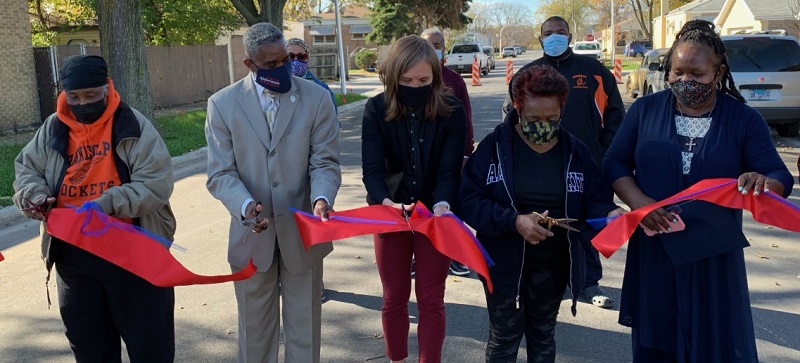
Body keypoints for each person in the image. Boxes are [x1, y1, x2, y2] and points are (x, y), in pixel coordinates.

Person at [603, 20, 794, 362]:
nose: (685, 80)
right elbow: (614, 164)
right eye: (677, 72)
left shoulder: (743, 120)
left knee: (713, 344)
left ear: (719, 72)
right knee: (656, 341)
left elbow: (778, 174)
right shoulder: (646, 111)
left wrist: (764, 182)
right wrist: (641, 204)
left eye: (698, 73)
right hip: (655, 248)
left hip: (714, 256)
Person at [13, 54, 176, 362]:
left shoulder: (134, 125)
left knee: (150, 348)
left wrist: (105, 204)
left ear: (107, 87)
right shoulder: (51, 129)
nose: (82, 103)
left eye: (91, 95)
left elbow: (156, 185)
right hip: (74, 255)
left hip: (133, 251)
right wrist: (33, 195)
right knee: (90, 349)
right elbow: (26, 171)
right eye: (74, 96)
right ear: (63, 93)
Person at [461, 64, 624, 362]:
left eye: (552, 118)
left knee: (543, 334)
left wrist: (610, 212)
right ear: (517, 109)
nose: (543, 125)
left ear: (562, 109)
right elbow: (468, 200)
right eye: (533, 119)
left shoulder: (576, 151)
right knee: (503, 338)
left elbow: (595, 197)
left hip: (553, 266)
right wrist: (513, 221)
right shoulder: (493, 149)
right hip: (503, 265)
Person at [205, 22, 341, 363]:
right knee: (255, 337)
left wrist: (322, 198)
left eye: (286, 59)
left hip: (303, 234)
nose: (284, 68)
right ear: (249, 64)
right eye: (272, 64)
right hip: (252, 239)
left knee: (304, 333)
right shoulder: (222, 105)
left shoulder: (317, 98)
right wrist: (246, 206)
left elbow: (324, 162)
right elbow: (221, 173)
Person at [502, 15, 625, 309]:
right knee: (545, 222)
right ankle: (549, 279)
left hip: (589, 165)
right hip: (539, 166)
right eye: (548, 33)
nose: (554, 37)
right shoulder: (525, 75)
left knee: (586, 224)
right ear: (540, 37)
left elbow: (616, 118)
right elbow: (511, 121)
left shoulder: (594, 71)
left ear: (570, 36)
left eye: (560, 32)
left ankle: (588, 281)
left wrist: (602, 156)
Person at [361, 35, 466, 363]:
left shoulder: (452, 110)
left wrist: (443, 206)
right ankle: (396, 358)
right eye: (406, 80)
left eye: (423, 80)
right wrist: (384, 202)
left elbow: (450, 170)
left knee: (431, 300)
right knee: (393, 298)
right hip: (389, 213)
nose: (415, 87)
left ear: (435, 75)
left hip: (435, 215)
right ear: (393, 77)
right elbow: (373, 170)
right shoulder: (376, 109)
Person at [421, 27, 475, 277]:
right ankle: (416, 257)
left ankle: (456, 255)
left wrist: (466, 154)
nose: (433, 48)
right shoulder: (409, 78)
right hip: (420, 159)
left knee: (450, 204)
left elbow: (467, 119)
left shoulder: (454, 80)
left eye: (437, 43)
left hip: (451, 158)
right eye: (428, 44)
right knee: (420, 207)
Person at [286, 37, 337, 114]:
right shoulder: (276, 87)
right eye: (290, 56)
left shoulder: (321, 88)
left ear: (308, 58)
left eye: (301, 56)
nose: (296, 60)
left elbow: (332, 120)